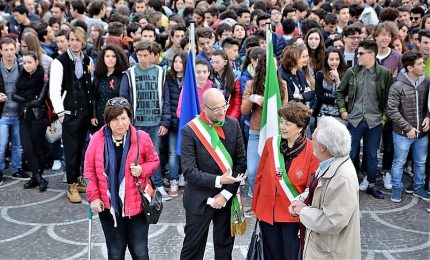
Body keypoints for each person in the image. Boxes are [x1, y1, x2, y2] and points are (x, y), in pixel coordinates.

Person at [84, 97, 159, 260]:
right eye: (115, 119)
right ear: (108, 120)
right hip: (109, 207)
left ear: (129, 118)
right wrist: (94, 198)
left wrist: (142, 170)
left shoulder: (142, 138)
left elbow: (154, 161)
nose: (120, 124)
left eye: (124, 118)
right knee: (115, 253)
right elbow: (88, 171)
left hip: (137, 206)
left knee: (140, 252)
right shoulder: (97, 139)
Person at [180, 88, 247, 260]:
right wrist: (218, 180)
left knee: (225, 250)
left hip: (227, 197)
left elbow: (241, 164)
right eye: (216, 109)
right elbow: (189, 171)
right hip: (199, 199)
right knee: (192, 250)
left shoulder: (233, 125)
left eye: (223, 106)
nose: (222, 111)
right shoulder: (190, 131)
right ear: (204, 108)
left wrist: (224, 195)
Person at [251, 102, 319, 260]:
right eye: (281, 122)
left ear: (300, 127)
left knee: (290, 256)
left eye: (287, 123)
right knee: (270, 255)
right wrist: (255, 207)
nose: (282, 126)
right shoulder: (271, 143)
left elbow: (312, 187)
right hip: (268, 212)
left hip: (292, 216)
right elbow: (260, 177)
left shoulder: (311, 150)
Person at [289, 116, 361, 260]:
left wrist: (302, 211)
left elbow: (332, 222)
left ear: (323, 147)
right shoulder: (329, 162)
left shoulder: (342, 178)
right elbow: (317, 190)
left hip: (330, 253)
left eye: (313, 137)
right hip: (321, 247)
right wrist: (301, 199)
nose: (310, 140)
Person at [336, 39, 392, 199]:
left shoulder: (384, 73)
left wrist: (384, 118)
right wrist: (342, 110)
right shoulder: (352, 72)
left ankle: (372, 185)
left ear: (371, 55)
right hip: (354, 120)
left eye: (361, 53)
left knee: (372, 155)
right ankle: (351, 183)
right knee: (351, 153)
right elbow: (340, 92)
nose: (357, 56)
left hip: (375, 121)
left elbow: (389, 97)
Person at [119, 41, 171, 201]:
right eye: (139, 55)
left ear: (152, 56)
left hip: (155, 123)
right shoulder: (129, 73)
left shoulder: (160, 73)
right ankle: (140, 186)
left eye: (145, 55)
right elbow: (124, 99)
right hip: (136, 123)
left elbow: (166, 98)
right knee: (135, 155)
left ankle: (158, 185)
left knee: (154, 156)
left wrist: (165, 122)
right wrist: (126, 122)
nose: (142, 58)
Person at [49, 26, 94, 203]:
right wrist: (60, 113)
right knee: (71, 150)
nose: (75, 43)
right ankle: (71, 184)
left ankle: (78, 178)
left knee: (83, 148)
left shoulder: (87, 60)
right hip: (68, 113)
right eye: (72, 39)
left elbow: (88, 85)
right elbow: (54, 89)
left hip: (84, 112)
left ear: (84, 42)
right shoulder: (59, 61)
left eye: (78, 40)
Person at [241, 55, 289, 198]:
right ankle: (254, 192)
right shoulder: (251, 84)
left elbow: (285, 110)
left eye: (275, 64)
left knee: (275, 167)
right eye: (269, 64)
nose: (273, 67)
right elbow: (243, 110)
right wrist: (253, 98)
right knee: (252, 170)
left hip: (276, 132)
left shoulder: (282, 84)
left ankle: (268, 195)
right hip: (256, 131)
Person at [387, 51, 430, 202]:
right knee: (399, 162)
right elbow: (391, 110)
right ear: (410, 68)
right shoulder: (397, 85)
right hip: (402, 134)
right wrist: (408, 128)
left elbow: (428, 106)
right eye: (419, 64)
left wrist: (428, 117)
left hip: (422, 133)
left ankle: (418, 188)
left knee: (420, 162)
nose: (423, 66)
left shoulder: (426, 82)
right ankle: (396, 189)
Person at [12, 51, 49, 191]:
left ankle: (36, 177)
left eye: (29, 62)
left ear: (36, 62)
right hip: (23, 117)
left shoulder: (43, 78)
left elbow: (39, 100)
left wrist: (26, 100)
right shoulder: (21, 77)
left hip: (37, 117)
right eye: (24, 63)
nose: (26, 65)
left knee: (38, 148)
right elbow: (13, 95)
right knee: (27, 148)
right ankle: (38, 177)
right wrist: (29, 99)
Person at [0, 37, 30, 184]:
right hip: (2, 114)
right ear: (1, 51)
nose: (9, 53)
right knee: (2, 144)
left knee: (18, 144)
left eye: (11, 49)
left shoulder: (21, 67)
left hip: (18, 113)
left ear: (15, 50)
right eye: (6, 50)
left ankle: (17, 169)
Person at [91, 45, 130, 131]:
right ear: (103, 58)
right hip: (100, 117)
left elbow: (124, 98)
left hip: (117, 117)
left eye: (113, 56)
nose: (110, 59)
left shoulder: (123, 76)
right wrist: (93, 115)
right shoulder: (98, 75)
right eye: (107, 56)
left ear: (118, 58)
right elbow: (94, 97)